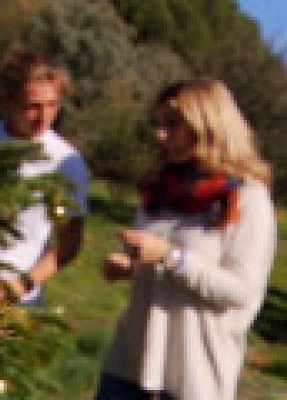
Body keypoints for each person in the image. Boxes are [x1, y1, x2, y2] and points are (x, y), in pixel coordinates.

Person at [98, 79, 276, 400]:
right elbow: (155, 261)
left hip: (195, 375)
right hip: (130, 363)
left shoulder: (246, 198)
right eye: (159, 124)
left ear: (206, 125)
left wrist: (171, 256)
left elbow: (242, 292)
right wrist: (130, 266)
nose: (160, 134)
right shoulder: (158, 188)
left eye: (172, 124)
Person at [0, 49, 88, 305]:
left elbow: (68, 245)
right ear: (9, 99)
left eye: (52, 105)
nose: (43, 117)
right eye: (33, 106)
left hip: (15, 302)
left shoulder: (66, 162)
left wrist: (23, 284)